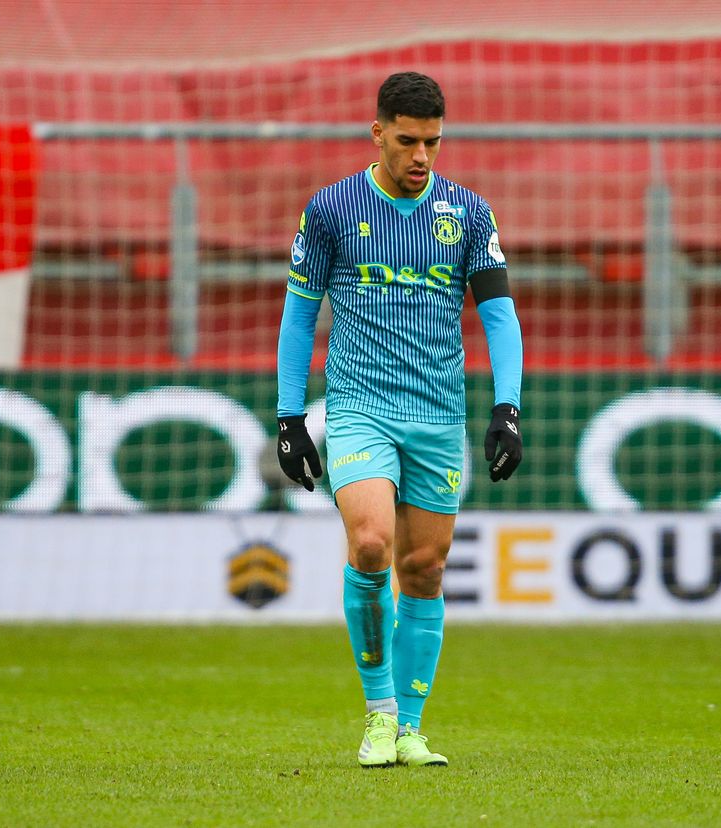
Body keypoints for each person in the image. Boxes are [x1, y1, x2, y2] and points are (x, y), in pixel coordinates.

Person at [275, 72, 524, 767]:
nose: (421, 156)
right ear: (377, 132)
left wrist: (509, 407)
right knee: (373, 544)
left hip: (438, 415)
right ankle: (378, 714)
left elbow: (499, 316)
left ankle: (412, 728)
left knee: (424, 566)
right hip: (359, 409)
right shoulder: (330, 209)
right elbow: (299, 316)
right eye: (409, 141)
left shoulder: (469, 213)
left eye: (434, 143)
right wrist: (290, 417)